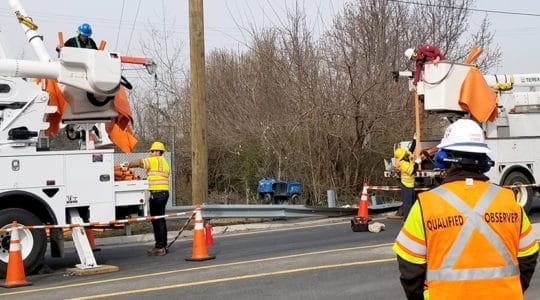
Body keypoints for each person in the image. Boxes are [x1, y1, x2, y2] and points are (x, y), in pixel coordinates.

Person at [393, 119, 539, 300]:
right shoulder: (509, 201)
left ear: (444, 159)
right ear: (484, 160)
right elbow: (529, 256)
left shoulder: (426, 205)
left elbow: (410, 268)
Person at [123, 141, 170, 256]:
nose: (152, 153)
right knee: (159, 220)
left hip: (157, 194)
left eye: (154, 151)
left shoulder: (154, 160)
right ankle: (161, 245)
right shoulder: (164, 162)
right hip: (162, 193)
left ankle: (160, 246)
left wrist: (127, 164)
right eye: (152, 151)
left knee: (157, 220)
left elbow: (139, 162)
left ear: (159, 151)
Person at [391, 135, 424, 220]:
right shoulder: (403, 163)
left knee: (411, 203)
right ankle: (407, 220)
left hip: (410, 185)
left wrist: (414, 139)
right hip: (406, 185)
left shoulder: (406, 158)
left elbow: (411, 150)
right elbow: (412, 171)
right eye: (405, 153)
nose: (406, 153)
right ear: (402, 156)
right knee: (408, 204)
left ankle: (411, 219)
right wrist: (417, 162)